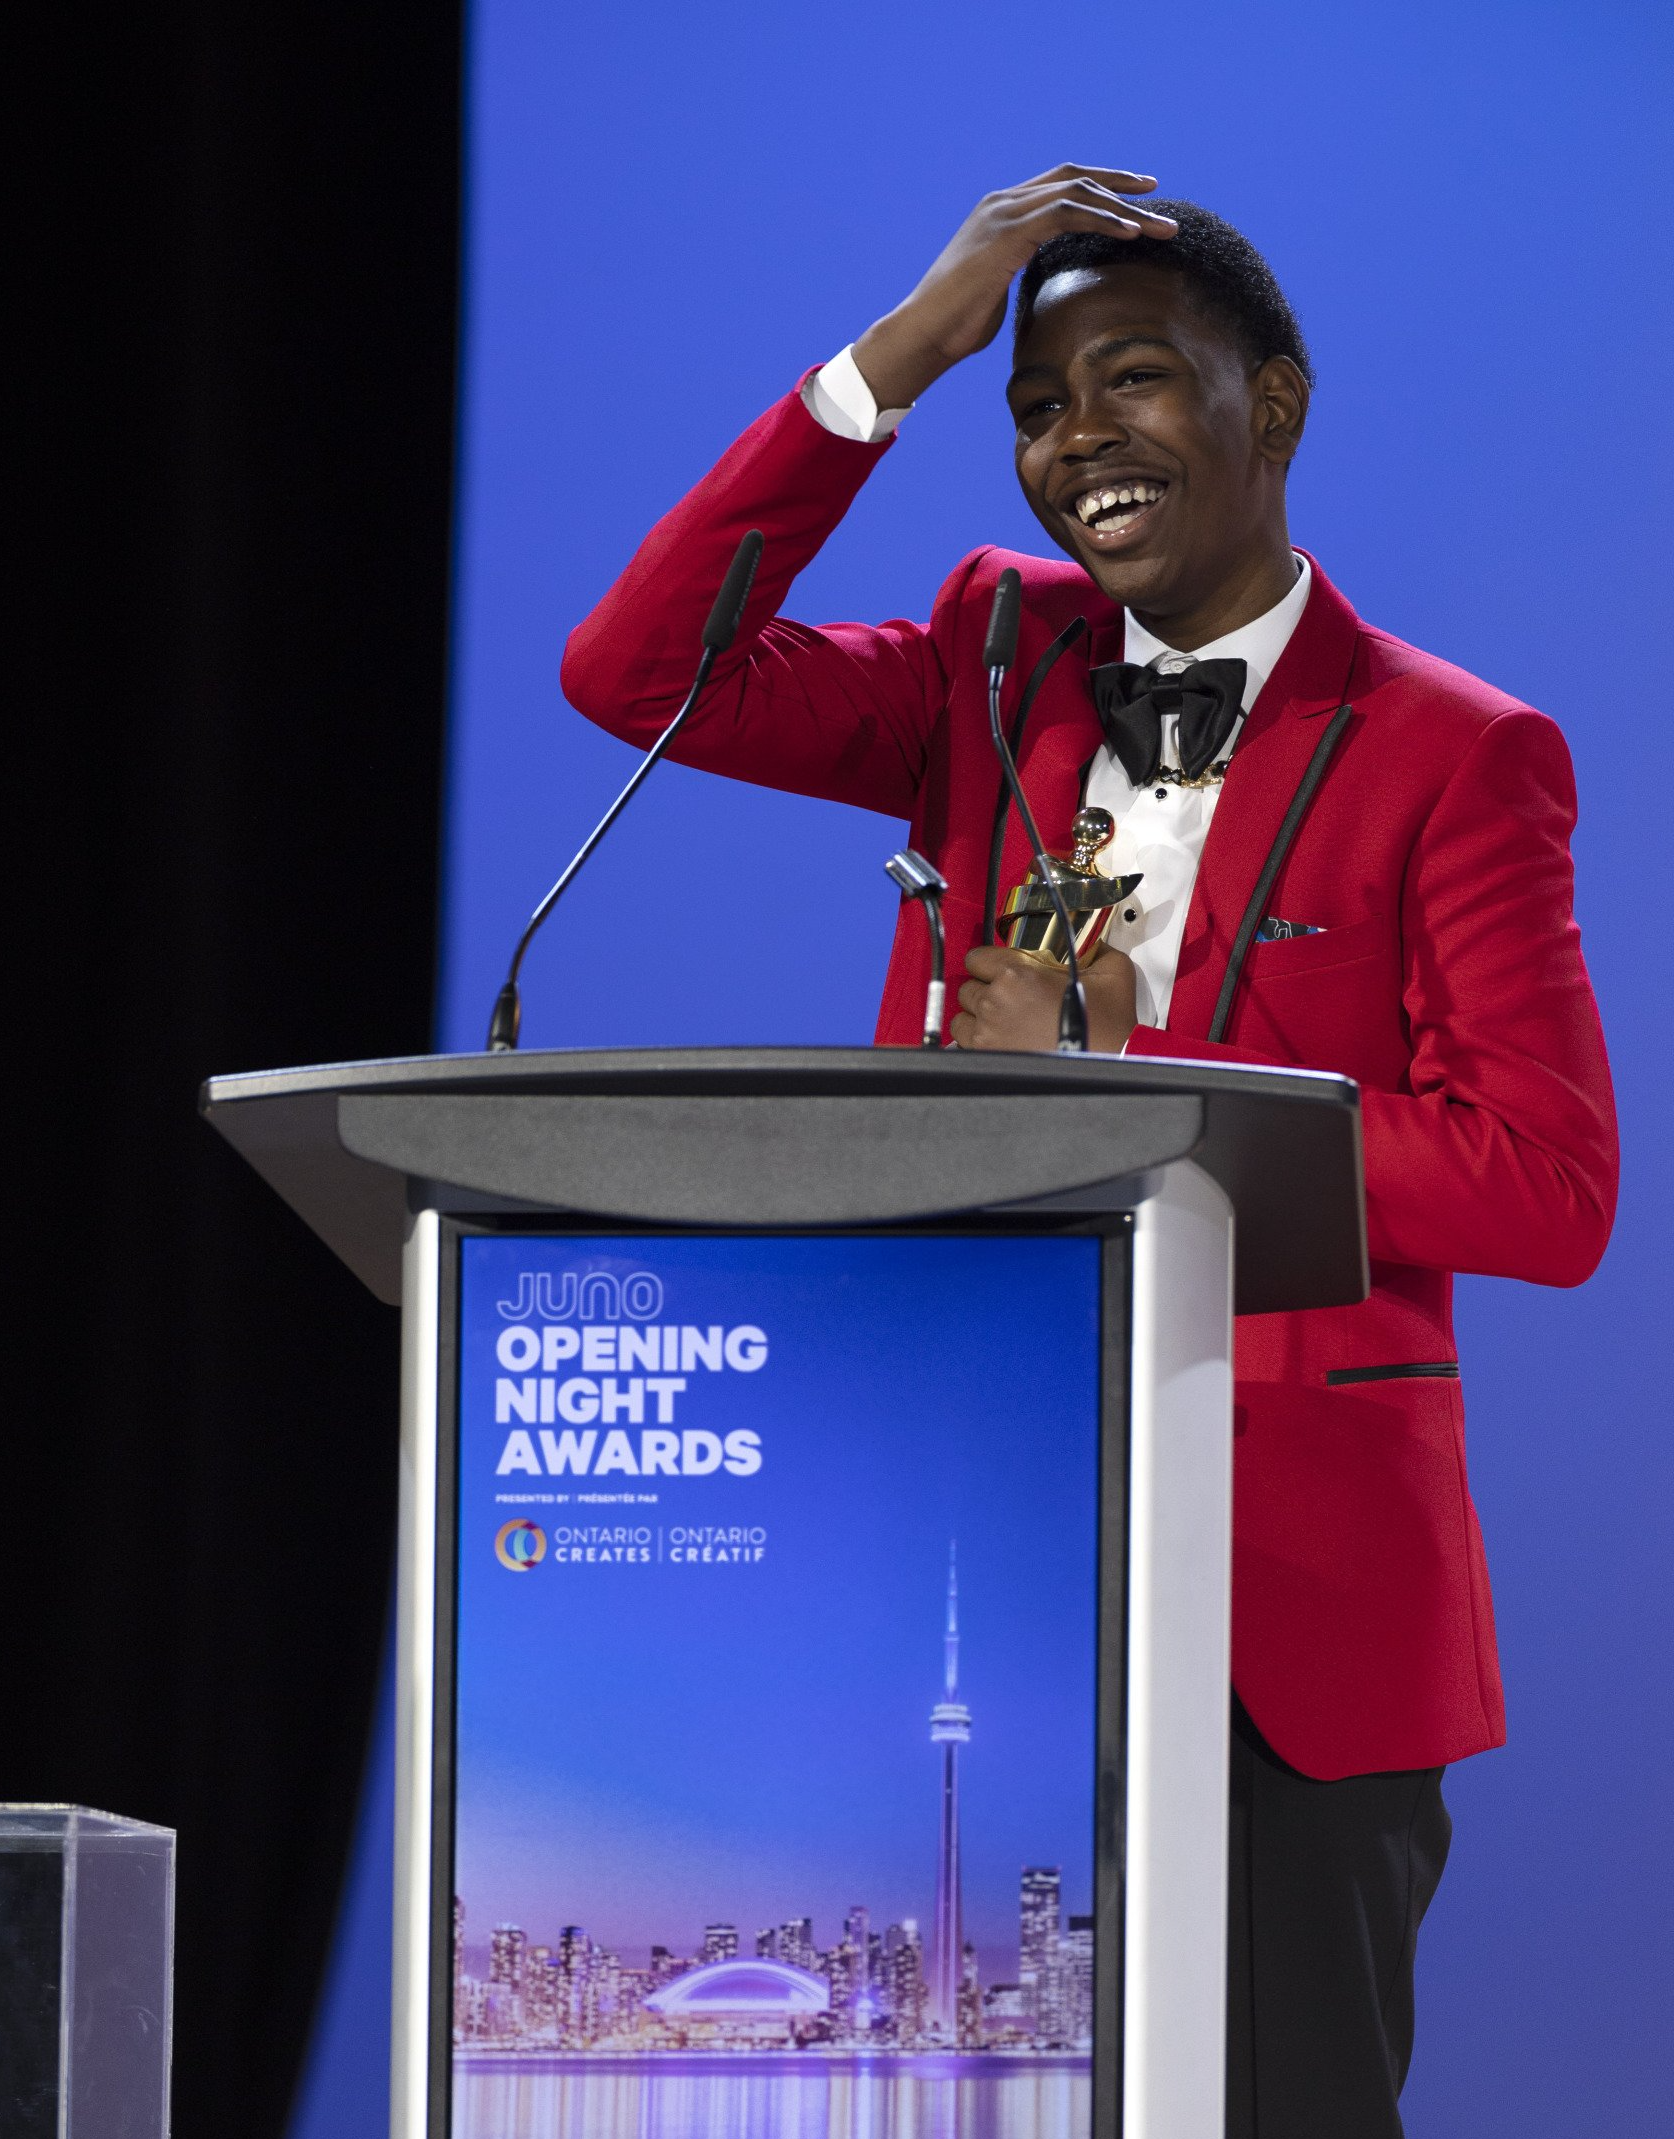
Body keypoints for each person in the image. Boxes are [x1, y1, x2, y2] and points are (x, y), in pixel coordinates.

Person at [561, 165, 1618, 2136]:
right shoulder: (988, 661)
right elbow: (636, 673)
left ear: (1273, 401)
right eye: (1035, 405)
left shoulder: (1456, 751)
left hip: (1288, 1626)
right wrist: (896, 361)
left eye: (1131, 381)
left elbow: (1546, 1185)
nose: (1074, 443)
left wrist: (1138, 1084)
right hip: (958, 1561)